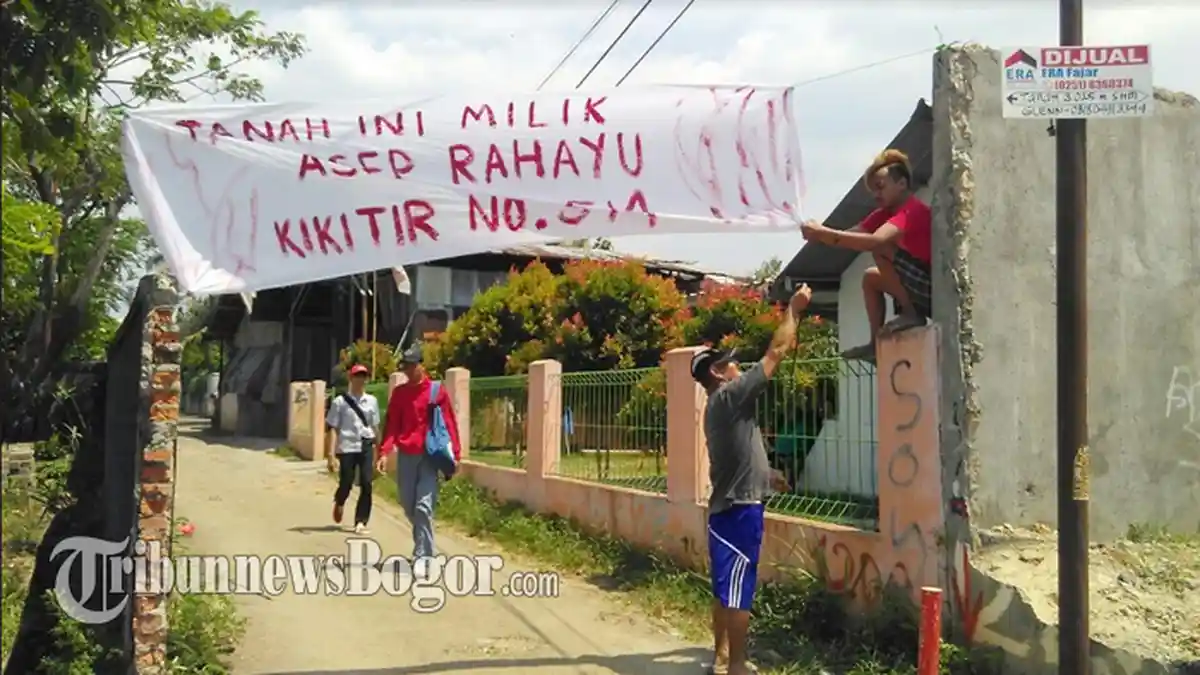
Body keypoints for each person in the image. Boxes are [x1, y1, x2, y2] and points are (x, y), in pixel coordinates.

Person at [691, 283, 812, 675]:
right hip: (740, 511)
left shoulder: (720, 407)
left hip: (726, 508)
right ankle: (738, 665)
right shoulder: (730, 397)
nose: (737, 367)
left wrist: (768, 475)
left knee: (724, 585)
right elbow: (776, 352)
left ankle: (721, 656)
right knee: (739, 589)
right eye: (730, 363)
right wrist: (793, 310)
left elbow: (740, 456)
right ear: (717, 373)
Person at [800, 149, 932, 362]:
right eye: (873, 190)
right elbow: (850, 235)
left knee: (881, 248)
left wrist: (824, 234)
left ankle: (911, 313)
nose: (876, 195)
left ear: (902, 184)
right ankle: (874, 344)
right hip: (915, 284)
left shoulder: (911, 210)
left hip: (932, 288)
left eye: (881, 187)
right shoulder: (884, 214)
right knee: (870, 277)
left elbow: (876, 241)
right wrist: (822, 235)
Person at [377, 344, 462, 578]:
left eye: (411, 366)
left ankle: (424, 557)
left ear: (421, 366)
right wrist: (384, 452)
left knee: (423, 507)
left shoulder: (436, 391)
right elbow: (392, 425)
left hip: (429, 457)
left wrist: (456, 454)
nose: (408, 370)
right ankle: (423, 546)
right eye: (405, 366)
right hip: (406, 456)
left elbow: (449, 423)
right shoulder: (400, 394)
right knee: (408, 505)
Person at [325, 363, 381, 534]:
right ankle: (340, 500)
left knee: (366, 483)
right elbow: (333, 428)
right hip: (347, 446)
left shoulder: (372, 401)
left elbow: (375, 427)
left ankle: (361, 521)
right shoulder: (340, 402)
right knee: (346, 482)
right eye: (357, 376)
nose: (360, 379)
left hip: (365, 444)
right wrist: (330, 455)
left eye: (363, 376)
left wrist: (380, 452)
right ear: (351, 378)